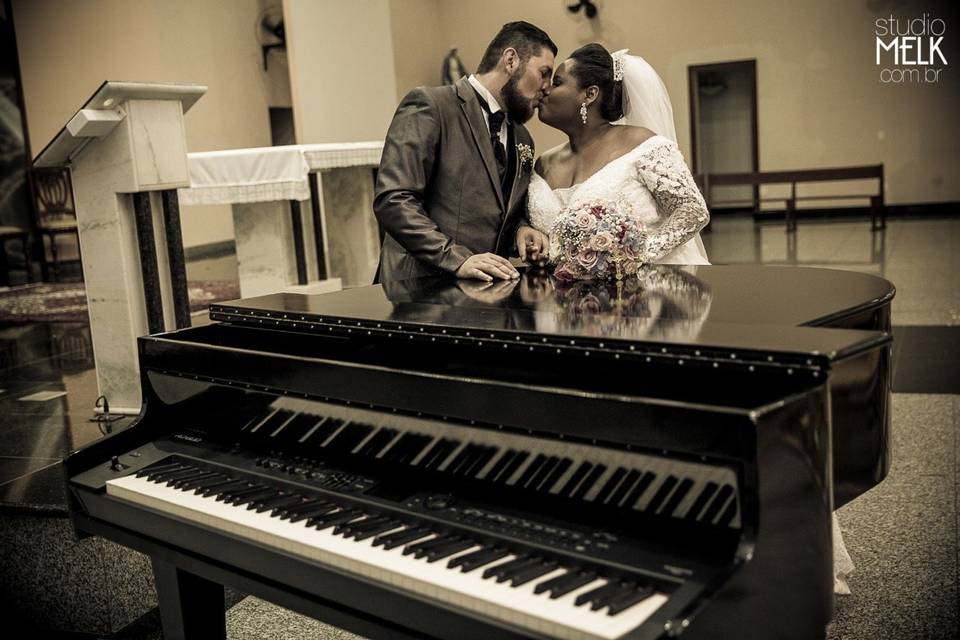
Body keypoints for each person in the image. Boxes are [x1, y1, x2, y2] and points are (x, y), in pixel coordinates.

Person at [374, 21, 556, 284]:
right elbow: (393, 199)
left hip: (484, 295)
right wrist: (456, 257)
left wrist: (520, 230)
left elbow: (496, 209)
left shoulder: (522, 138)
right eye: (544, 73)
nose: (548, 87)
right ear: (511, 60)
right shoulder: (432, 106)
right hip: (419, 291)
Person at [518, 44, 710, 269]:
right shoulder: (543, 163)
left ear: (590, 94)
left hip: (647, 292)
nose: (545, 89)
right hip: (563, 296)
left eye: (557, 82)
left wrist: (633, 256)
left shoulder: (642, 145)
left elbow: (692, 210)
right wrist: (530, 235)